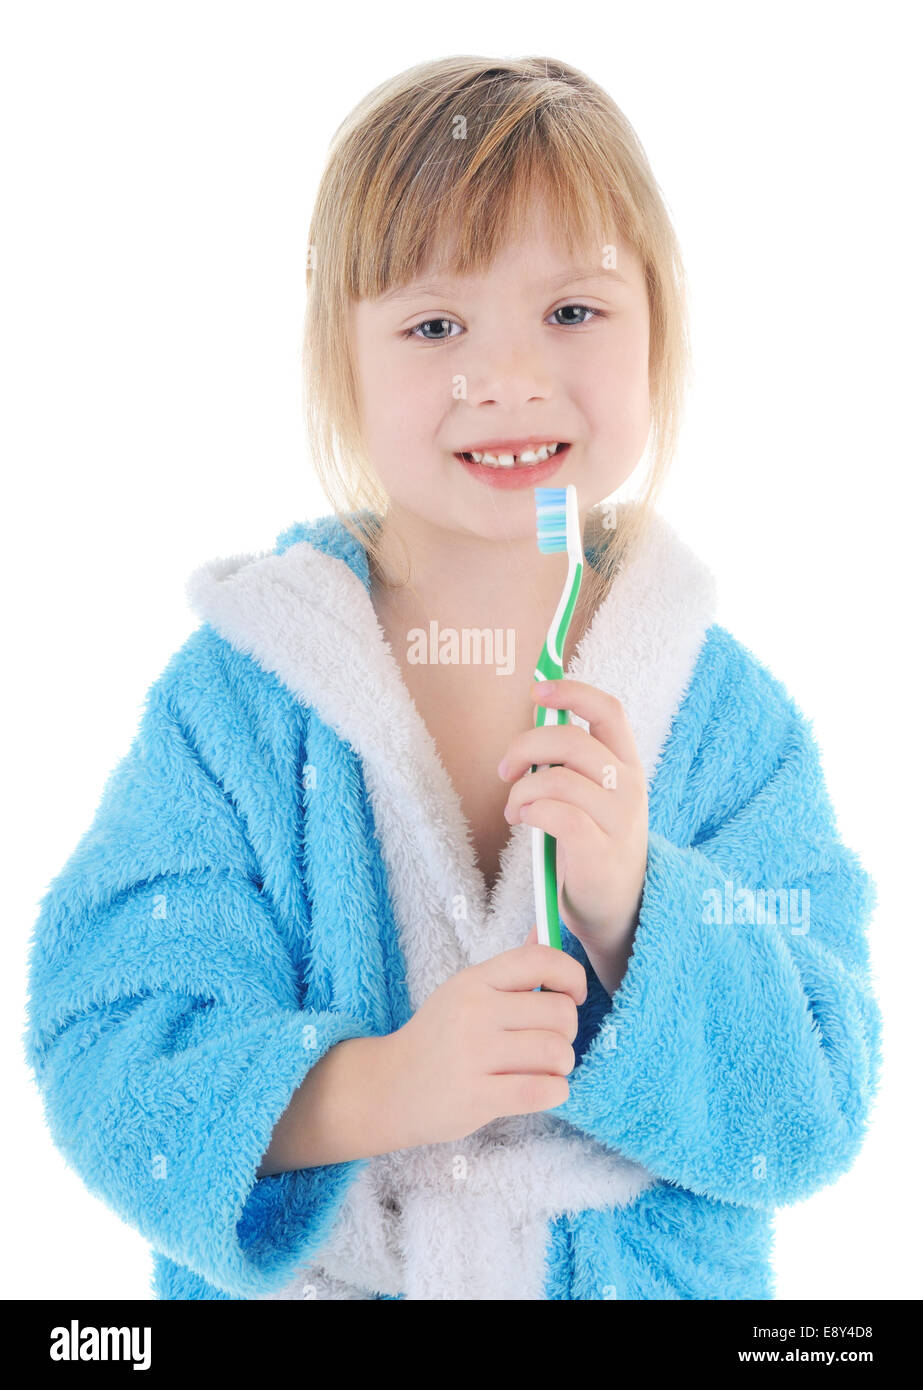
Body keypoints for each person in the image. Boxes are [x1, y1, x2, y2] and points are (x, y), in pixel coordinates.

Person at [23, 55, 883, 1301]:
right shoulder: (242, 703)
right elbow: (108, 1043)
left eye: (572, 312)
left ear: (659, 325)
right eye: (435, 325)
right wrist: (378, 1087)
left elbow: (813, 1094)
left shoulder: (722, 718)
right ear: (342, 358)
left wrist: (633, 911)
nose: (510, 378)